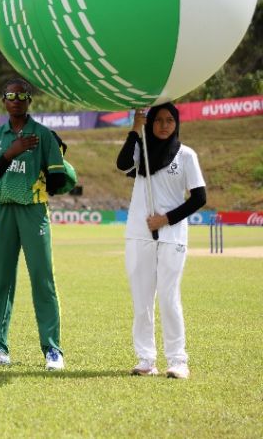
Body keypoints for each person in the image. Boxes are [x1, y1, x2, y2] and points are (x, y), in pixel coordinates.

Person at [0, 79, 69, 370]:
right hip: (2, 210)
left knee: (42, 279)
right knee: (0, 280)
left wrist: (57, 154)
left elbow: (56, 183)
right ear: (3, 100)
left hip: (32, 211)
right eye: (10, 96)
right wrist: (10, 153)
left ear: (29, 99)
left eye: (21, 95)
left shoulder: (42, 135)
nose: (15, 100)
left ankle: (52, 350)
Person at [118, 103, 205, 380]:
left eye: (170, 120)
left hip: (172, 235)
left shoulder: (186, 154)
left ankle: (178, 360)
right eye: (158, 120)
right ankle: (145, 359)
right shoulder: (141, 150)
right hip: (138, 233)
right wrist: (135, 128)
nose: (164, 125)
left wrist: (165, 219)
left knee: (168, 298)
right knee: (141, 300)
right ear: (150, 123)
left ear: (177, 123)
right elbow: (122, 164)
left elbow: (199, 198)